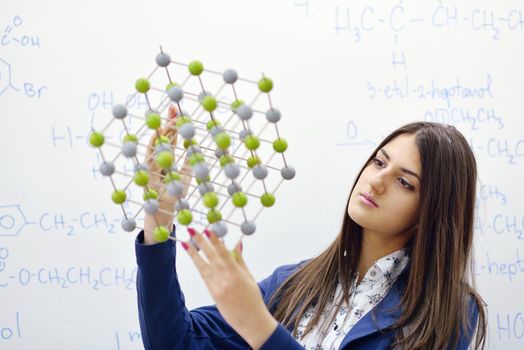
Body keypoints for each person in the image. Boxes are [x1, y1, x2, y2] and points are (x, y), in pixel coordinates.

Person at [135, 110, 487, 349]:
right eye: (378, 162)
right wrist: (159, 221)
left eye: (405, 183)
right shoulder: (293, 283)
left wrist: (260, 328)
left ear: (432, 211)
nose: (377, 181)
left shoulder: (448, 309)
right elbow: (174, 342)